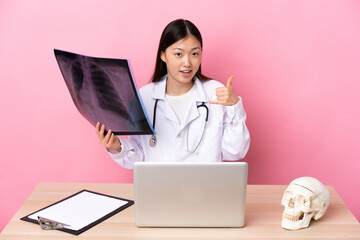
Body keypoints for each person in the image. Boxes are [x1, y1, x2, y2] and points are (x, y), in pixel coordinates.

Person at [95, 19, 250, 169]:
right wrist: (117, 146)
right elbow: (138, 156)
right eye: (178, 54)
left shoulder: (216, 93)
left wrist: (234, 106)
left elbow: (235, 151)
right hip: (160, 190)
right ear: (163, 55)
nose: (187, 63)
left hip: (204, 191)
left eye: (194, 54)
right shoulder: (144, 97)